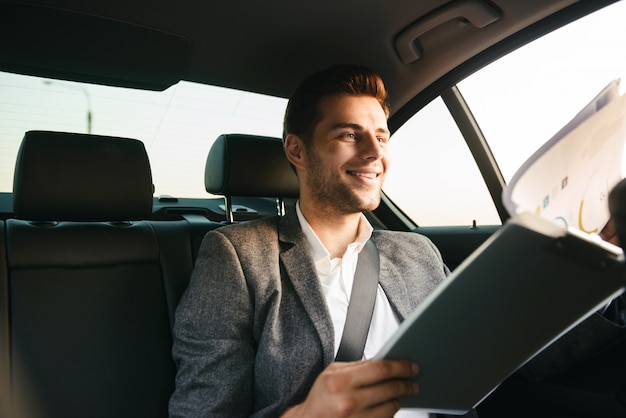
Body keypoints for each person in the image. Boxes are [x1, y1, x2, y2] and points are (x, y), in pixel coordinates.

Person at [169, 64, 477, 417]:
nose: (375, 154)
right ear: (297, 151)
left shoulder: (417, 251)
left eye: (381, 137)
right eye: (349, 135)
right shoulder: (238, 256)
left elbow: (481, 350)